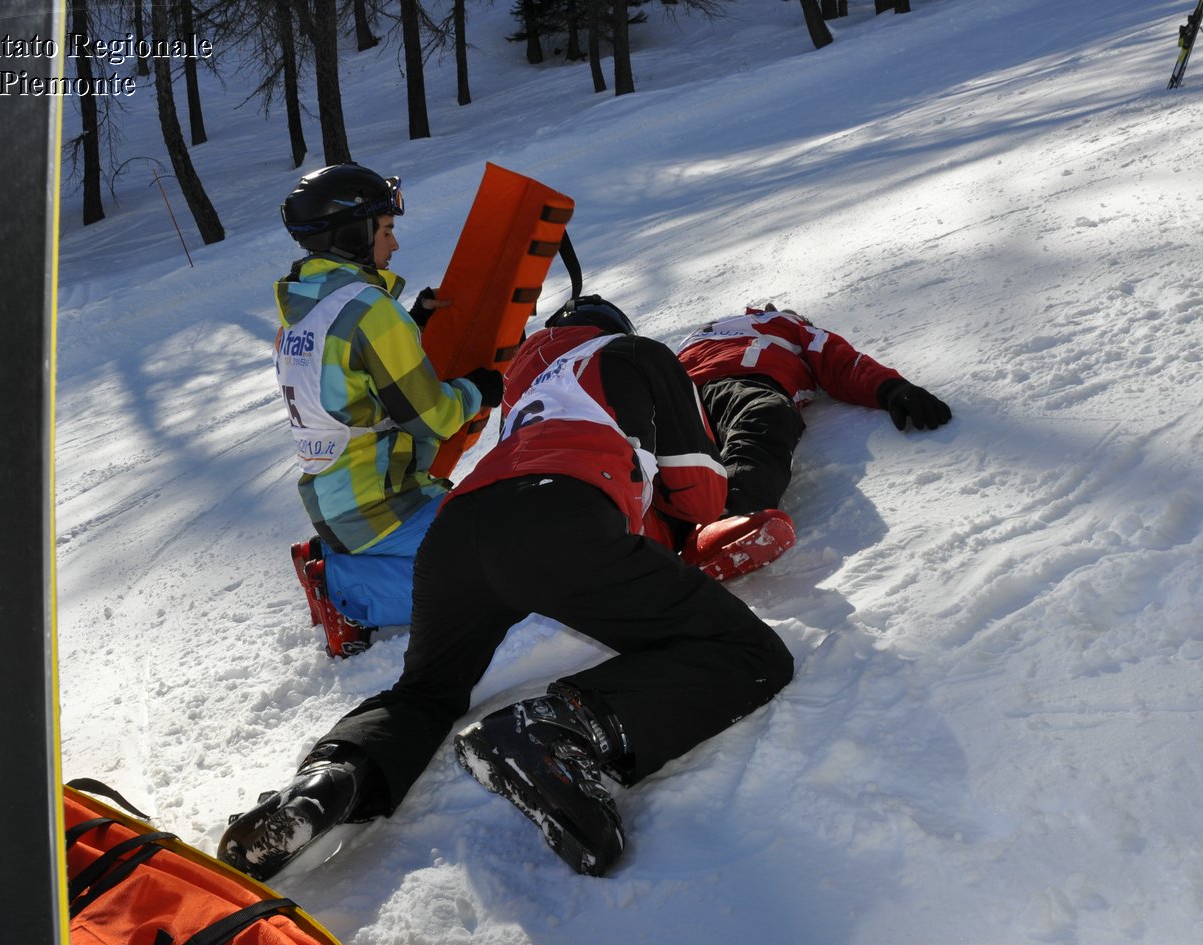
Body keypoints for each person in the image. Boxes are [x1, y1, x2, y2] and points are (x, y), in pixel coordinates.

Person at [221, 296, 795, 880]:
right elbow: (702, 497)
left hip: (454, 533)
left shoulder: (525, 381)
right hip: (557, 514)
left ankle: (324, 786)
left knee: (426, 691)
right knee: (751, 654)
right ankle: (560, 730)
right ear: (614, 327)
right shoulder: (635, 353)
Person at [274, 162, 502, 657]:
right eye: (386, 229)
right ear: (353, 232)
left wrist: (411, 323)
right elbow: (434, 416)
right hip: (386, 506)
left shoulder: (301, 314)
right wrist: (480, 389)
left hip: (339, 503)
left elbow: (351, 378)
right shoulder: (370, 310)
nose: (393, 245)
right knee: (504, 571)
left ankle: (338, 561)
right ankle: (347, 592)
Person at [657, 305, 952, 576]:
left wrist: (891, 388)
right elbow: (839, 361)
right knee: (762, 416)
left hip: (669, 401)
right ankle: (729, 516)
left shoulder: (695, 339)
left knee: (661, 464)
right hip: (739, 383)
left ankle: (652, 540)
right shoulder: (785, 325)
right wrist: (891, 388)